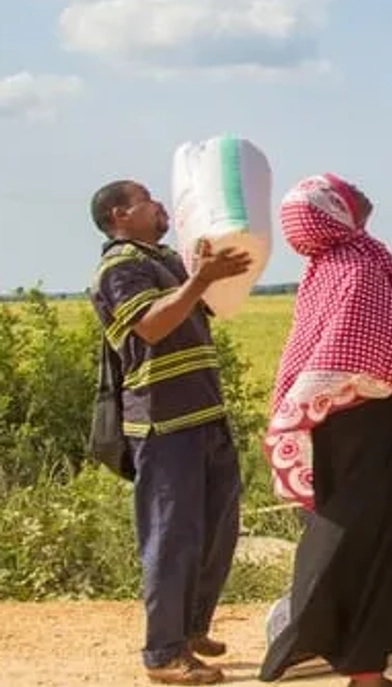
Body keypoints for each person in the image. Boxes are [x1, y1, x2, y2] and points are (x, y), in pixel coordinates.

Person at [260, 175, 392, 687]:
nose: (362, 192)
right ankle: (343, 659)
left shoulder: (325, 269)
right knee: (371, 545)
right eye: (347, 191)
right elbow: (379, 359)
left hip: (337, 428)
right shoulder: (360, 268)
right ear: (334, 211)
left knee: (358, 542)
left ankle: (366, 671)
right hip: (367, 425)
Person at [88, 180, 251, 686]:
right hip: (164, 423)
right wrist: (199, 280)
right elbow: (153, 327)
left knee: (217, 529)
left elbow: (200, 307)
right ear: (120, 214)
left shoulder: (165, 261)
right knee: (171, 536)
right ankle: (163, 652)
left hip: (203, 412)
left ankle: (190, 628)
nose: (159, 205)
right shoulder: (120, 267)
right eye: (145, 200)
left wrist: (205, 273)